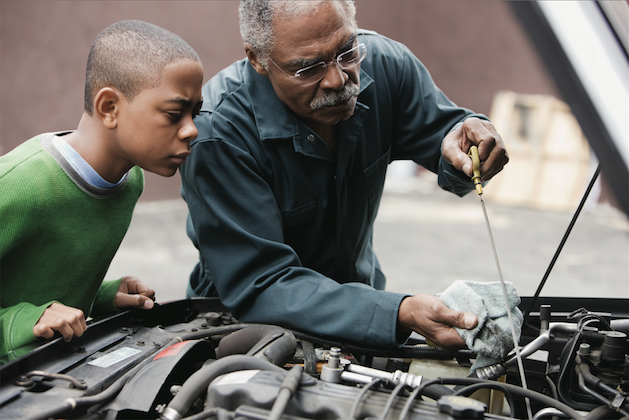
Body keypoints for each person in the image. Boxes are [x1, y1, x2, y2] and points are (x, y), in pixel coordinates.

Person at [180, 0, 508, 350]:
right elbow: (262, 283)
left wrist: (471, 147)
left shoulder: (386, 66)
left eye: (347, 51)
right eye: (307, 68)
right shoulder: (218, 134)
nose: (338, 79)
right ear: (258, 59)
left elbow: (448, 140)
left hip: (364, 312)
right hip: (243, 334)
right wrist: (395, 313)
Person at [0, 20, 204, 361]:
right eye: (174, 113)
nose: (192, 131)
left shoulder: (130, 181)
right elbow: (26, 313)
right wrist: (23, 322)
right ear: (109, 108)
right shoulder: (19, 185)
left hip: (53, 377)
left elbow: (37, 285)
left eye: (195, 113)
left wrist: (101, 296)